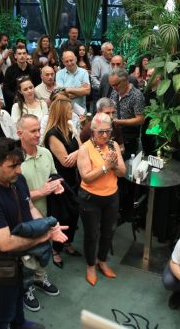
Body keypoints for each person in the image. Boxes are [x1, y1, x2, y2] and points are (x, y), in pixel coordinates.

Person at [0, 139, 68, 329]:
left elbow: (29, 207)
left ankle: (19, 324)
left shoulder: (16, 179)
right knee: (2, 313)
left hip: (21, 258)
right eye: (13, 166)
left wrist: (45, 226)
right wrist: (42, 237)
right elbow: (5, 243)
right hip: (1, 264)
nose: (19, 170)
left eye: (20, 164)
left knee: (18, 298)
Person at [15, 115, 63, 311]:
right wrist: (41, 192)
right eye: (33, 131)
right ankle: (26, 288)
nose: (38, 134)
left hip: (47, 214)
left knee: (45, 251)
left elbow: (54, 175)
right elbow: (13, 196)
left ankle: (40, 279)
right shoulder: (14, 160)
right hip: (25, 218)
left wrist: (58, 185)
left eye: (38, 130)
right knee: (27, 256)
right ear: (20, 134)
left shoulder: (45, 152)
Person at [77, 113, 126, 285]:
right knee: (92, 235)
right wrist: (106, 167)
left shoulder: (113, 145)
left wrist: (113, 166)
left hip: (111, 196)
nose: (105, 135)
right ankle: (90, 265)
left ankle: (102, 261)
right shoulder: (85, 148)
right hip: (90, 198)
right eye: (100, 132)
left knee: (108, 232)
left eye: (108, 131)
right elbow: (86, 177)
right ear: (92, 130)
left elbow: (122, 172)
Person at [42, 99, 82, 268]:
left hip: (73, 179)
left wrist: (77, 153)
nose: (72, 112)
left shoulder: (70, 128)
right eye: (69, 110)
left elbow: (83, 148)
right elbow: (67, 162)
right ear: (61, 112)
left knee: (74, 213)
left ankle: (67, 242)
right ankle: (56, 250)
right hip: (60, 181)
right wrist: (79, 154)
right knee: (62, 216)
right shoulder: (52, 134)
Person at [109, 67, 145, 160]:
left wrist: (118, 122)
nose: (113, 88)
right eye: (112, 85)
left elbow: (141, 120)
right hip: (114, 135)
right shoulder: (115, 92)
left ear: (124, 81)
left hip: (129, 138)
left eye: (115, 85)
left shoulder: (136, 95)